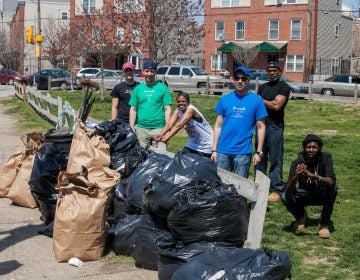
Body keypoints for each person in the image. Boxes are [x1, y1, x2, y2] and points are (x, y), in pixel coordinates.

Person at [211, 65, 267, 178]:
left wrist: (259, 152)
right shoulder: (225, 99)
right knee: (221, 187)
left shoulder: (256, 101)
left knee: (240, 190)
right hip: (222, 151)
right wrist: (214, 149)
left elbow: (261, 127)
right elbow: (218, 125)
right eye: (237, 78)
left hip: (242, 153)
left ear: (248, 80)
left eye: (243, 78)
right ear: (233, 79)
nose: (240, 81)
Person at [281, 134, 337, 239]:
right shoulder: (297, 162)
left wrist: (314, 176)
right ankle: (301, 216)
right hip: (304, 194)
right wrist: (295, 178)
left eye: (314, 147)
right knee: (284, 196)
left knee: (333, 188)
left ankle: (324, 224)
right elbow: (287, 192)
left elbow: (331, 181)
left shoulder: (326, 158)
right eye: (308, 147)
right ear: (304, 148)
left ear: (319, 148)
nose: (311, 150)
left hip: (322, 193)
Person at [256, 61, 291, 202]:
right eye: (269, 70)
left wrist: (261, 100)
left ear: (279, 71)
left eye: (274, 70)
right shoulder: (263, 87)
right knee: (260, 156)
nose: (272, 72)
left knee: (276, 158)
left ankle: (276, 189)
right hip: (261, 126)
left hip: (275, 126)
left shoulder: (284, 87)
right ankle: (259, 186)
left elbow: (277, 106)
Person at [129, 60, 172, 150]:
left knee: (161, 156)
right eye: (147, 71)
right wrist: (132, 127)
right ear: (143, 72)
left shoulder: (162, 88)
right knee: (140, 155)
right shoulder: (138, 89)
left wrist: (167, 127)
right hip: (141, 129)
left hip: (159, 128)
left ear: (155, 72)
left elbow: (167, 108)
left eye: (152, 71)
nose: (149, 73)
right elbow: (133, 109)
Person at [154, 92, 213, 157]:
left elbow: (179, 126)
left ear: (188, 102)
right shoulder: (178, 110)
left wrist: (165, 139)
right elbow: (169, 124)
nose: (181, 103)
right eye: (179, 102)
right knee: (181, 160)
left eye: (183, 101)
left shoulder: (191, 110)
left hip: (207, 144)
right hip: (193, 143)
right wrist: (160, 135)